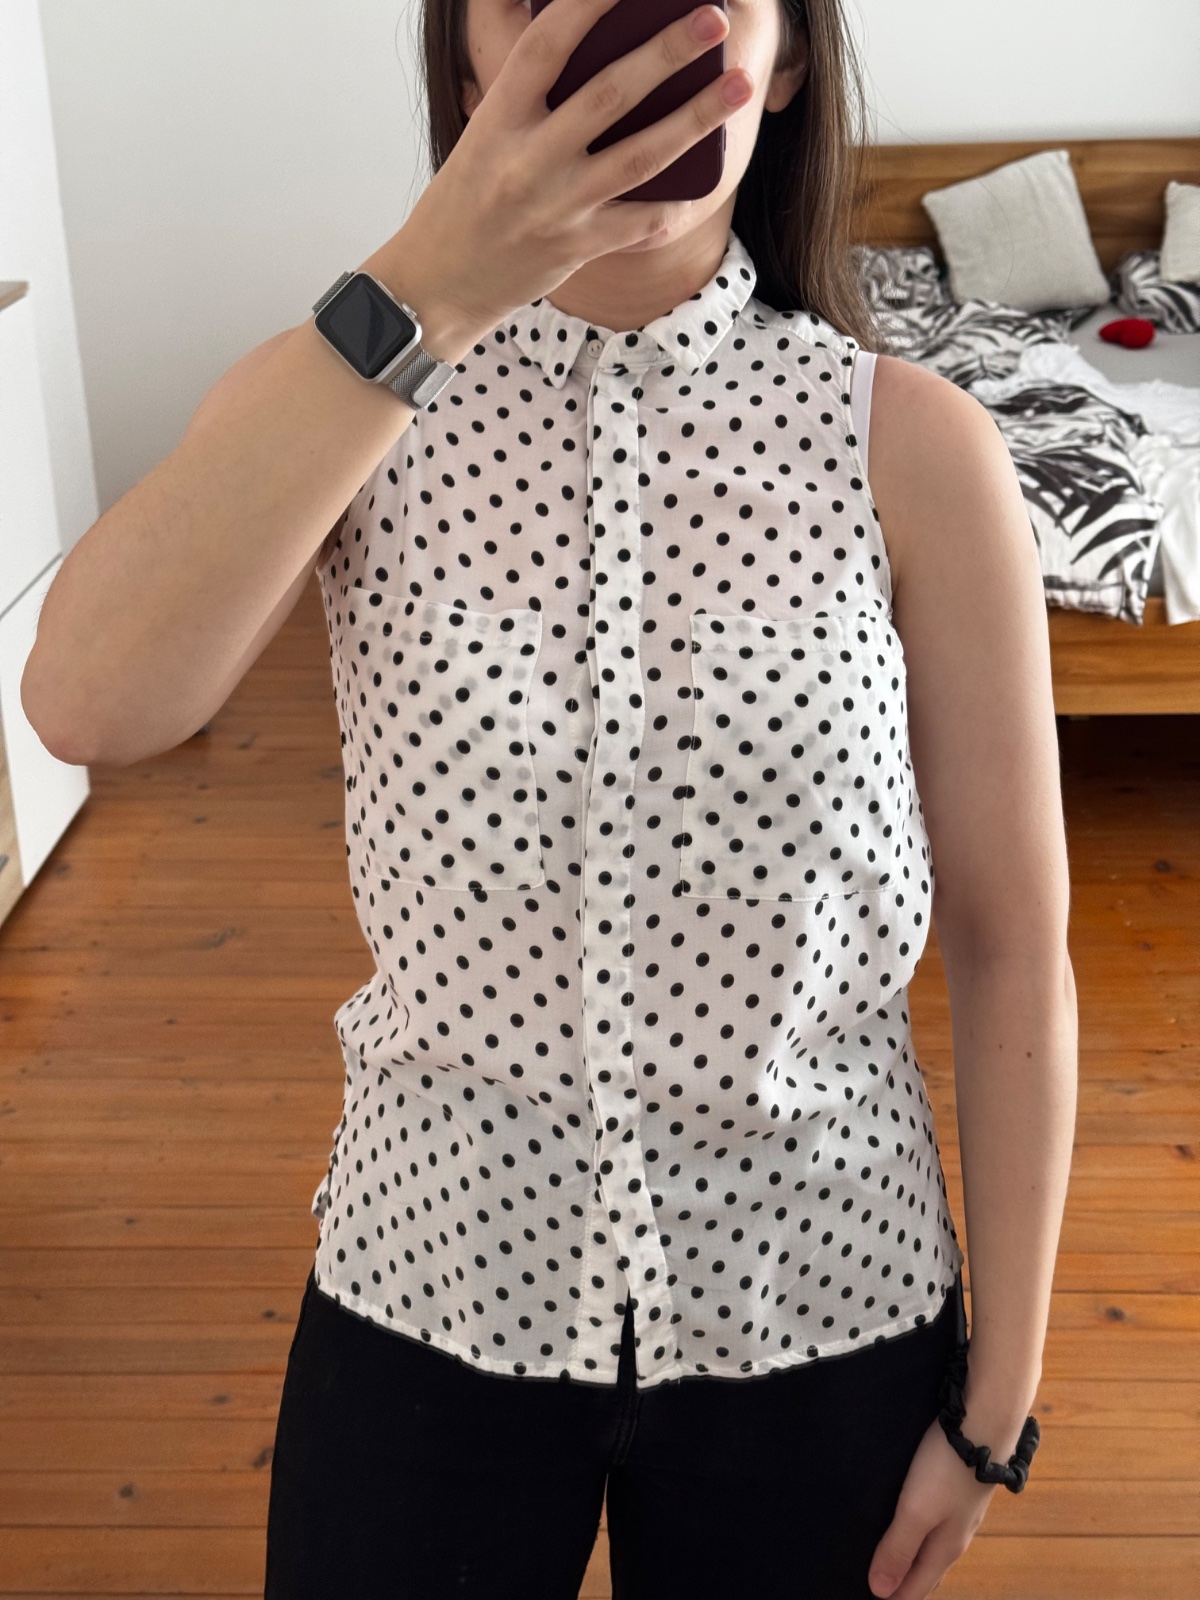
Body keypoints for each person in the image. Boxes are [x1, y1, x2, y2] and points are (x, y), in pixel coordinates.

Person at [24, 2, 1077, 1597]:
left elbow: (1013, 945)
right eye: (542, 1)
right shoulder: (345, 402)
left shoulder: (914, 450)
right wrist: (426, 285)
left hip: (821, 1295)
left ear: (787, 59)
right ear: (467, 56)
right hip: (430, 1279)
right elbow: (85, 703)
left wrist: (998, 1405)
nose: (619, 47)